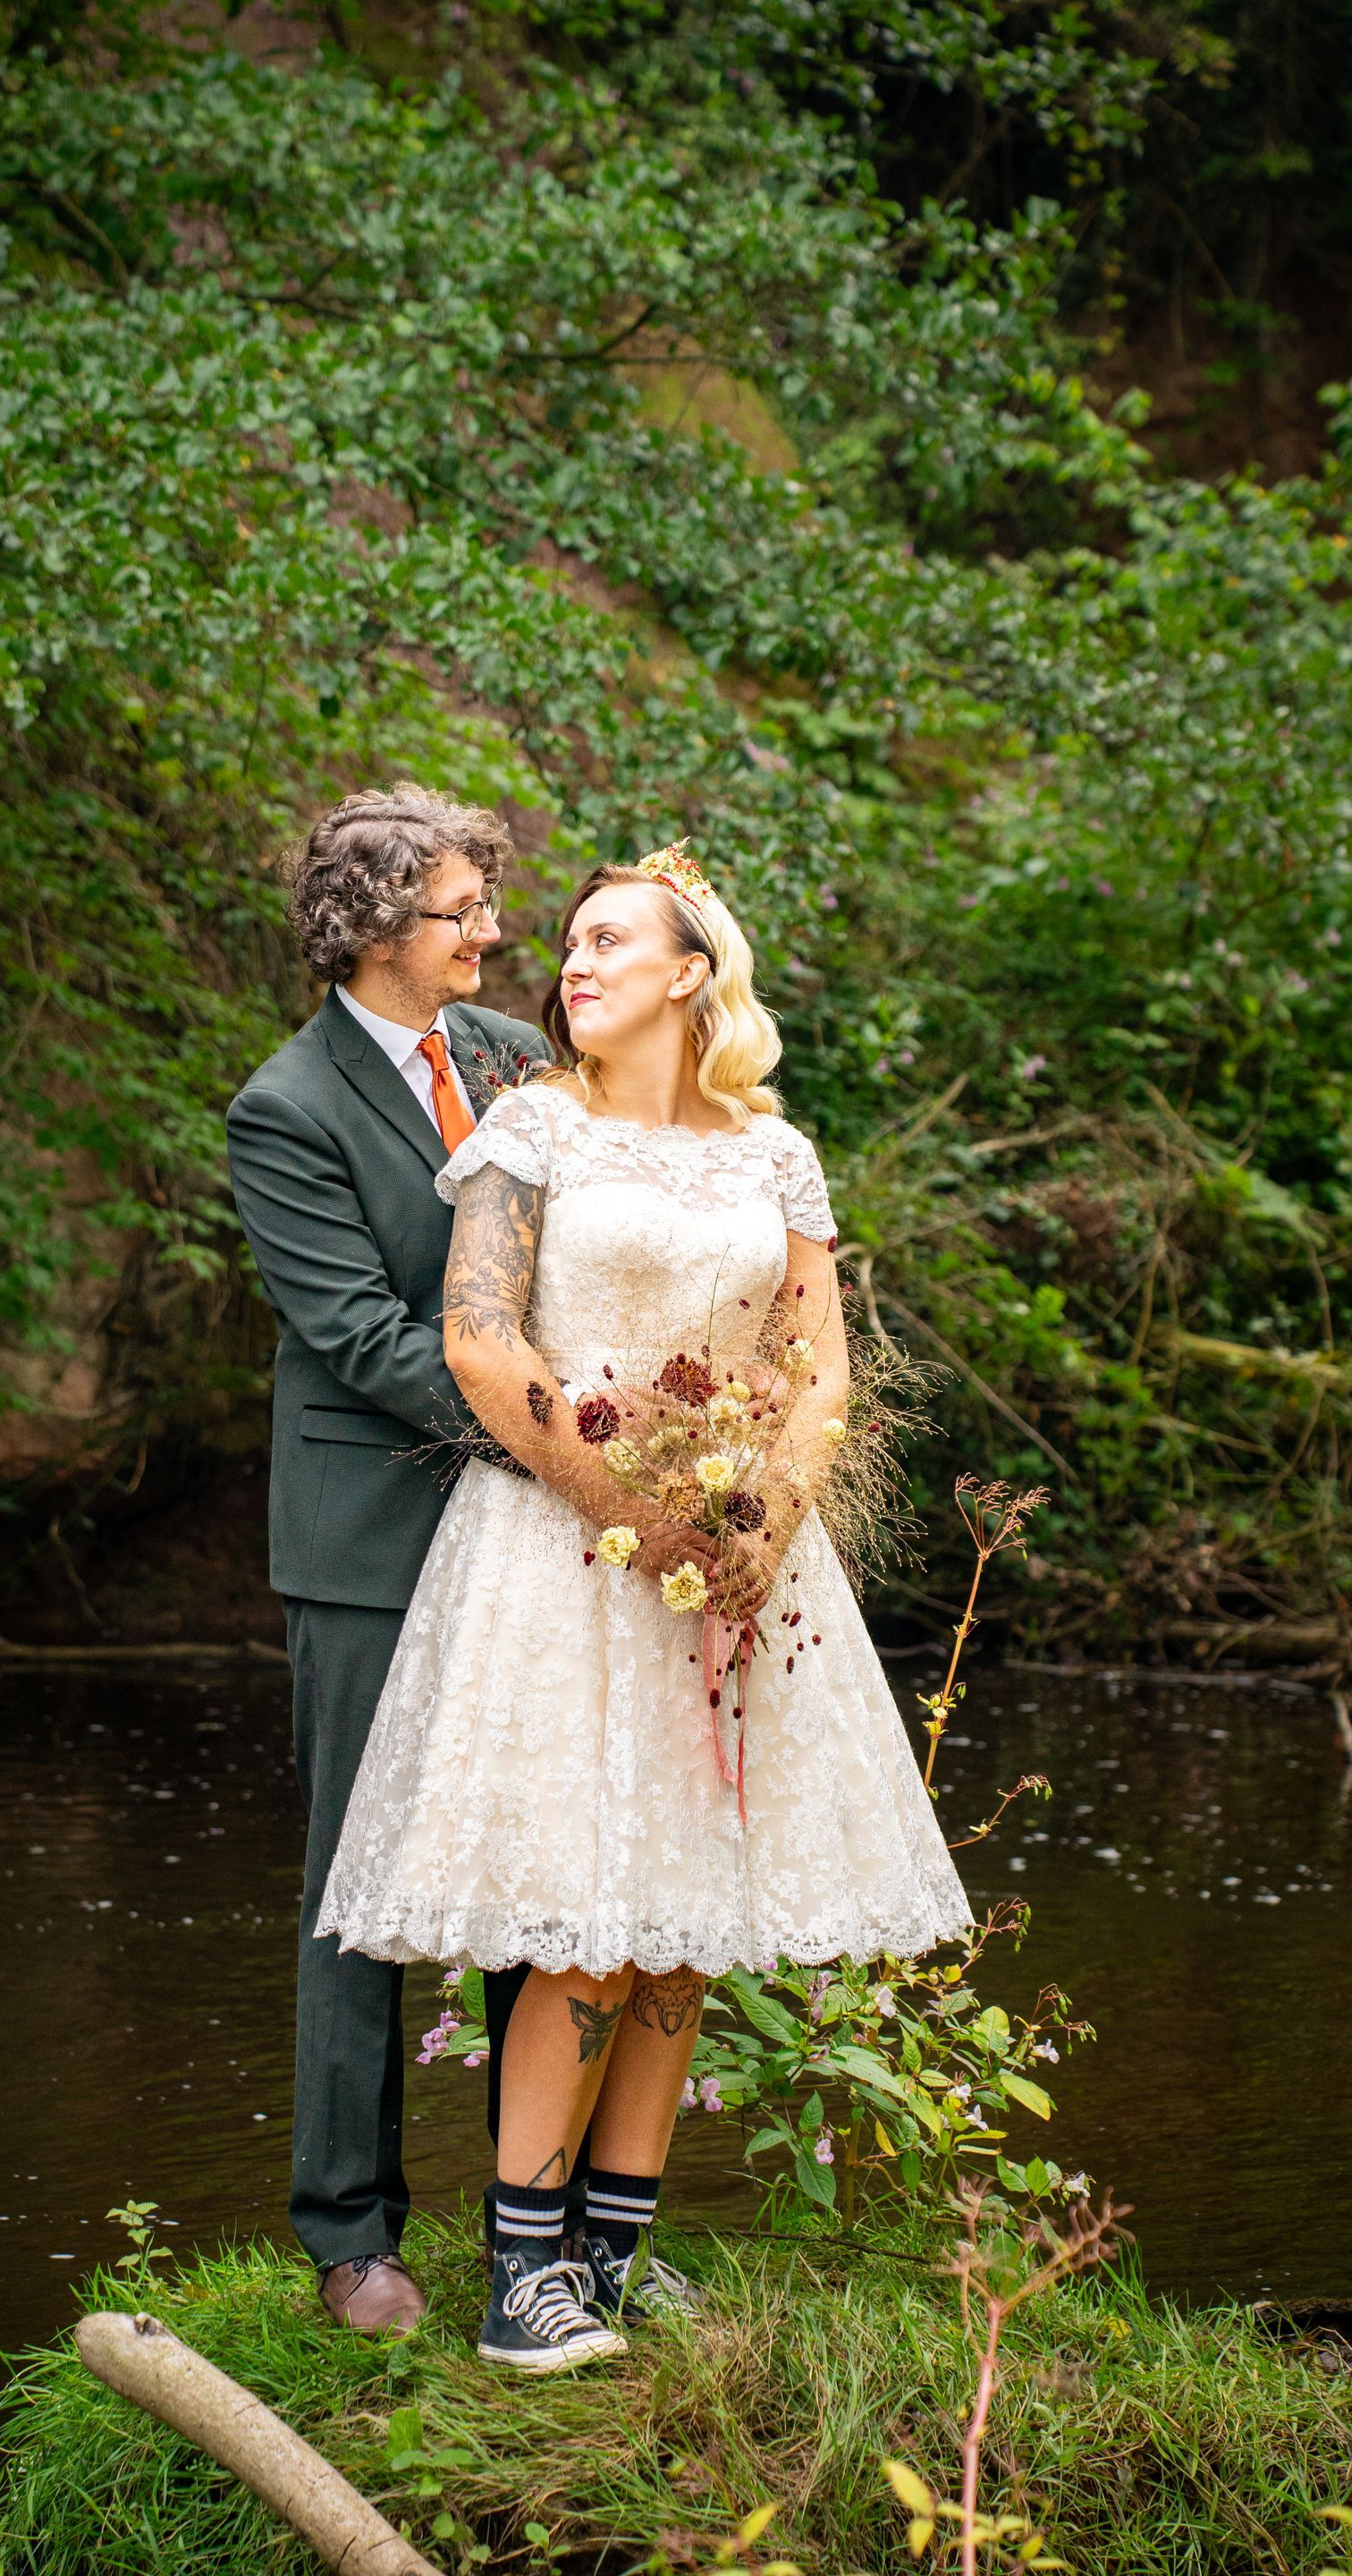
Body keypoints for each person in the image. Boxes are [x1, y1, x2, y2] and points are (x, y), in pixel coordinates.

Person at [317, 843, 971, 2372]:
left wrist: (764, 1511)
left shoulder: (777, 1157)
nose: (574, 961)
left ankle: (614, 2255)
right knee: (585, 1927)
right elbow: (479, 1344)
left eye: (613, 939)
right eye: (569, 942)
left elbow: (818, 1370)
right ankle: (518, 2279)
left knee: (682, 1925)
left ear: (694, 973)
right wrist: (629, 1507)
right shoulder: (531, 1131)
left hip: (739, 1562)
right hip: (562, 1546)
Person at [225, 784, 550, 2337]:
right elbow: (356, 1334)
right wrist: (558, 1432)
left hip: (533, 1533)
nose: (493, 929)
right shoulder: (282, 1110)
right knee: (359, 1887)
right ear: (371, 930)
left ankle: (535, 2235)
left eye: (487, 901)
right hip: (370, 1541)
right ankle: (352, 2237)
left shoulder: (507, 1059)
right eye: (463, 908)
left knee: (529, 1880)